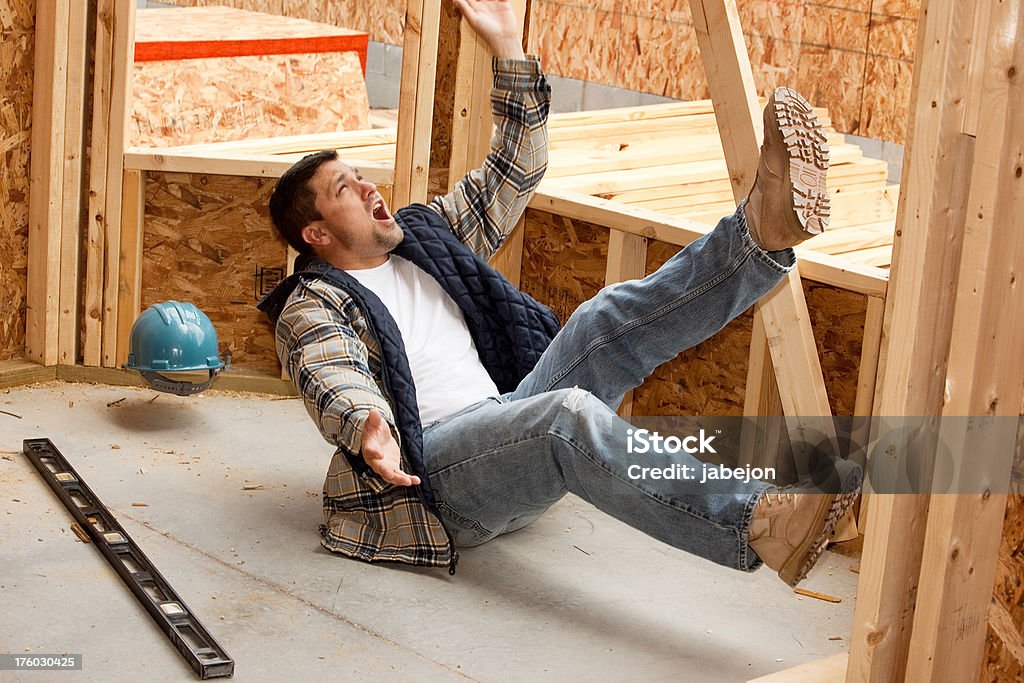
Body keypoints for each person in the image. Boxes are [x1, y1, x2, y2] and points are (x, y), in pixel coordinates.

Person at [258, 0, 861, 588]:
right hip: (435, 478)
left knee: (602, 320)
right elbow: (327, 365)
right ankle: (759, 523)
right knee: (564, 413)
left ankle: (759, 239)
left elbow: (515, 168)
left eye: (361, 174)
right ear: (317, 233)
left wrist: (509, 48)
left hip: (507, 425)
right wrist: (365, 422)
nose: (367, 187)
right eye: (345, 187)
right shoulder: (313, 301)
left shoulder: (427, 237)